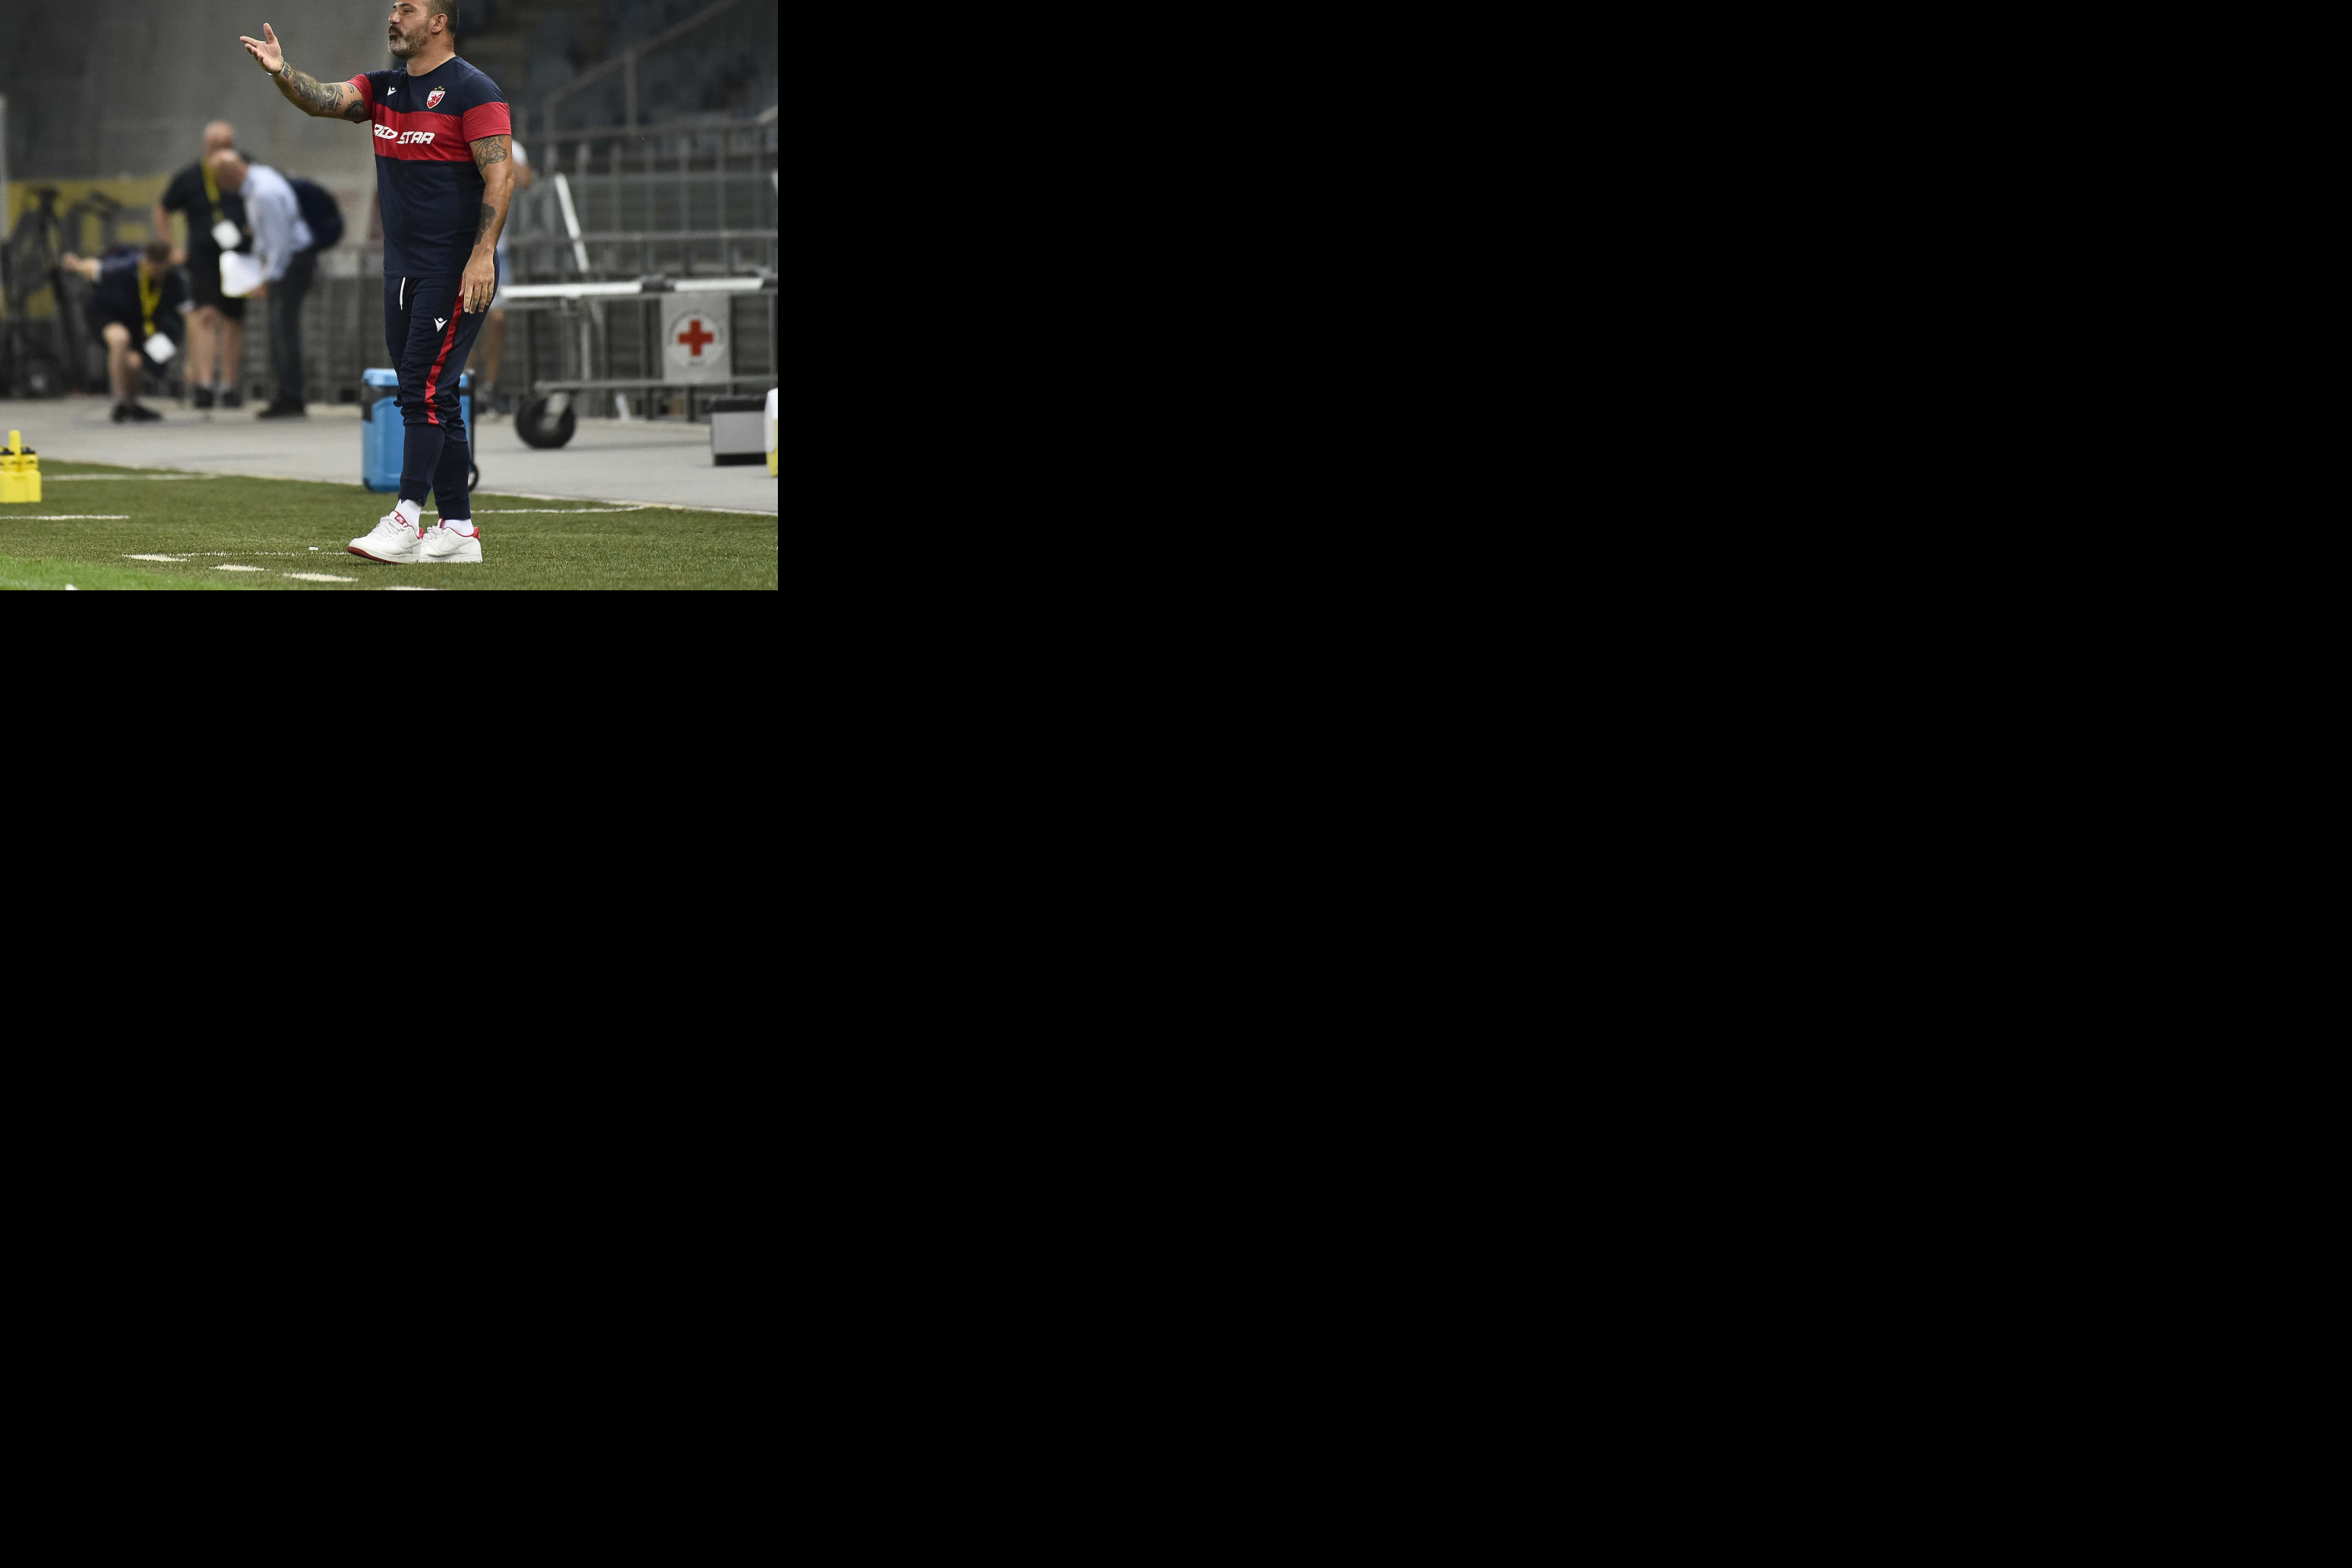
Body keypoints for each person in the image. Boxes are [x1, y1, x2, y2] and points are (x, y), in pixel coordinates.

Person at [241, 3, 512, 565]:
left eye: (407, 8)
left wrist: (482, 255)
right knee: (433, 393)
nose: (394, 16)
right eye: (393, 7)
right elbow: (322, 100)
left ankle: (407, 517)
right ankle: (459, 529)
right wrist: (281, 70)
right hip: (402, 269)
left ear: (438, 22)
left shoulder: (473, 90)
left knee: (422, 390)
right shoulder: (384, 88)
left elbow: (500, 174)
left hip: (453, 268)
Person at [207, 150, 316, 419]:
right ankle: (287, 393)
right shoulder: (259, 181)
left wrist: (267, 278)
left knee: (283, 331)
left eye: (220, 180)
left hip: (290, 264)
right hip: (288, 261)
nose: (221, 187)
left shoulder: (262, 193)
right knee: (281, 330)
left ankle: (291, 396)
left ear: (230, 175)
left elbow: (279, 244)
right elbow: (267, 235)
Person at [153, 121, 251, 409]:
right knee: (205, 316)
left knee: (233, 320)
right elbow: (163, 209)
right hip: (202, 257)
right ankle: (205, 384)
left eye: (226, 144)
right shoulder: (190, 176)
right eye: (215, 144)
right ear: (206, 146)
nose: (221, 149)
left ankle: (229, 384)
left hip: (238, 254)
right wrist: (171, 248)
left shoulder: (245, 167)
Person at [58, 242, 189, 423]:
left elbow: (184, 311)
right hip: (106, 315)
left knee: (134, 363)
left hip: (135, 324)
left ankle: (131, 404)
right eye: (156, 269)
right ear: (147, 262)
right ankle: (120, 403)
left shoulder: (171, 278)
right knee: (120, 339)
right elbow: (95, 267)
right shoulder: (127, 267)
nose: (159, 273)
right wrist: (77, 264)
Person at [473, 137, 531, 417]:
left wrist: (499, 144)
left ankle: (490, 386)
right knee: (462, 318)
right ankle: (464, 386)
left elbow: (525, 181)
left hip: (498, 250)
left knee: (497, 318)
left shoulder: (511, 146)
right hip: (463, 247)